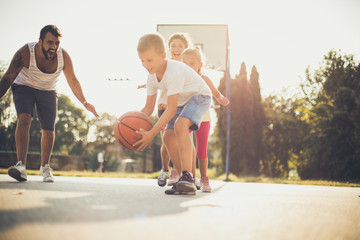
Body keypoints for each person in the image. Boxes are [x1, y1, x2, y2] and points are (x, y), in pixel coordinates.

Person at [0, 25, 98, 182]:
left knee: (48, 128)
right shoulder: (25, 53)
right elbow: (8, 78)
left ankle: (45, 168)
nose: (54, 47)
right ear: (40, 41)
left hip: (48, 89)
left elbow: (72, 79)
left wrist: (84, 101)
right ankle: (21, 166)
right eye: (50, 42)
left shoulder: (63, 56)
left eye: (57, 43)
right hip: (24, 86)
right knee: (24, 118)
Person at [135, 33, 211, 195]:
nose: (145, 64)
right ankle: (184, 180)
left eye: (149, 60)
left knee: (180, 125)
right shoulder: (151, 77)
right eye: (142, 60)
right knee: (168, 137)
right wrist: (131, 124)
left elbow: (170, 110)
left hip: (200, 95)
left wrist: (151, 133)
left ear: (163, 56)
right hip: (184, 101)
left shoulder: (174, 71)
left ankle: (188, 176)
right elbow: (148, 109)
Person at [181, 47, 229, 192]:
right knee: (187, 148)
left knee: (201, 151)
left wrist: (221, 98)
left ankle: (204, 178)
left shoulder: (204, 79)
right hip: (186, 118)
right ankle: (190, 177)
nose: (188, 67)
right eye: (185, 63)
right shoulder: (181, 80)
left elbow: (216, 93)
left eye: (192, 63)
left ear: (200, 65)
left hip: (204, 118)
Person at [156, 33, 193, 187]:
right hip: (165, 107)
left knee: (183, 142)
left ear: (186, 48)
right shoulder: (164, 64)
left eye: (180, 46)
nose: (176, 48)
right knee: (166, 143)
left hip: (183, 108)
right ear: (168, 48)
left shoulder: (188, 67)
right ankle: (165, 169)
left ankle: (180, 173)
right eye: (173, 45)